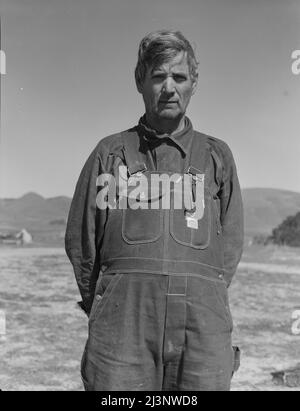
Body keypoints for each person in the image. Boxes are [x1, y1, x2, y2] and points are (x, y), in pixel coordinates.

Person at [65, 30, 244, 391]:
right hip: (123, 327)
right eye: (158, 77)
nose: (169, 88)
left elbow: (230, 243)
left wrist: (202, 295)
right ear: (139, 81)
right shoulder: (109, 153)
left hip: (202, 331)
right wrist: (105, 300)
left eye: (179, 77)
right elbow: (81, 241)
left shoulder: (216, 156)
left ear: (194, 82)